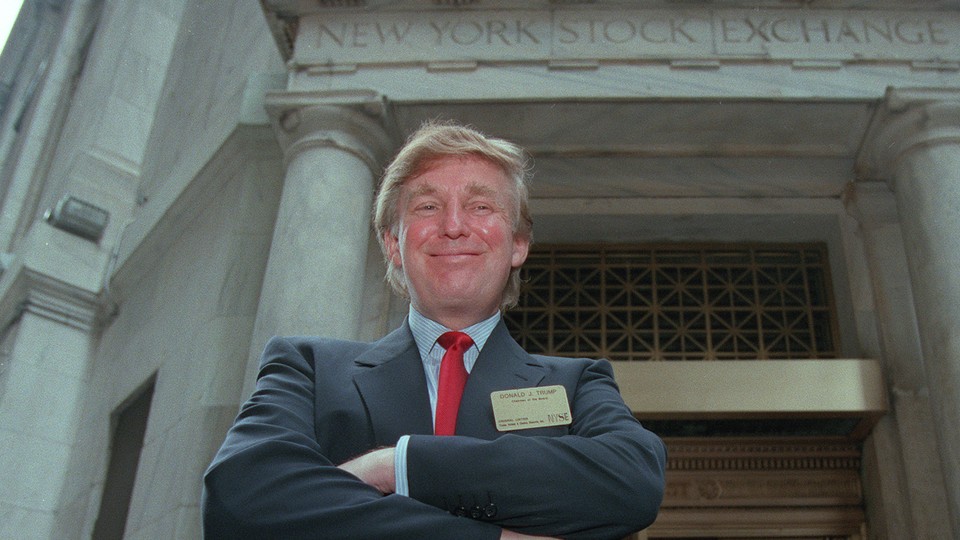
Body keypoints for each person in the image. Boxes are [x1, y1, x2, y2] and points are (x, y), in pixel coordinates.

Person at [202, 121, 667, 539]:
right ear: (393, 245)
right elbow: (240, 498)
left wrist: (397, 465)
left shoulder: (577, 383)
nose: (453, 226)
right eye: (427, 206)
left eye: (481, 206)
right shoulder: (308, 368)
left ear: (518, 244)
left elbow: (632, 482)